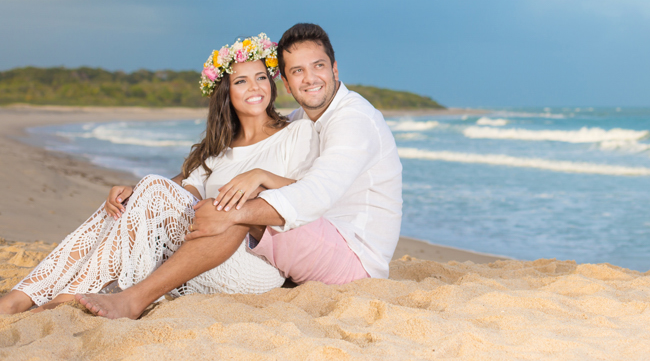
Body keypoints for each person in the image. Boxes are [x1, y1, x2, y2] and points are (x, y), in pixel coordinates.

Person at [74, 23, 403, 320]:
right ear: (286, 83)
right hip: (321, 240)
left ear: (334, 68)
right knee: (236, 200)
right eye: (298, 71)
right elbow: (211, 175)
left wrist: (235, 210)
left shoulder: (353, 119)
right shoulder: (305, 119)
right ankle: (67, 289)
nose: (311, 78)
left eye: (318, 66)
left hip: (355, 260)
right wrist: (147, 190)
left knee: (239, 206)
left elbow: (317, 192)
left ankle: (135, 298)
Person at [0, 33, 314, 315]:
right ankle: (22, 295)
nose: (255, 87)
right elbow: (181, 199)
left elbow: (312, 195)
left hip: (253, 265)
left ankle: (65, 298)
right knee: (124, 205)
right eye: (241, 80)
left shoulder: (295, 132)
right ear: (226, 92)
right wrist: (133, 194)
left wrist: (261, 176)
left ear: (272, 84)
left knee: (151, 186)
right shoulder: (218, 148)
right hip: (197, 257)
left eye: (261, 77)